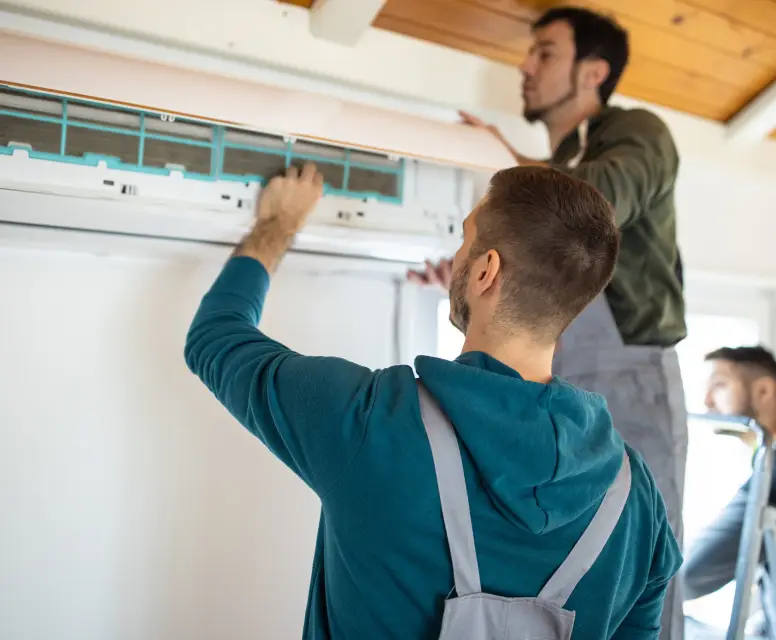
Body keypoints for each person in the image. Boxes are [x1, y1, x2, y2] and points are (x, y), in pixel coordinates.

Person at [185, 162, 681, 638]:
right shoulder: (636, 498)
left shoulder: (369, 418)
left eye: (464, 239)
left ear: (486, 270)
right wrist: (484, 301)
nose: (458, 254)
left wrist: (278, 223)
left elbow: (215, 338)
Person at [412, 8, 687, 638]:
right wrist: (471, 273)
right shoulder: (563, 157)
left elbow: (592, 210)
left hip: (630, 366)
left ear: (592, 72)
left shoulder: (637, 131)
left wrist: (517, 182)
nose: (525, 66)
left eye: (544, 53)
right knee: (565, 556)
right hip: (560, 370)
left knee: (644, 559)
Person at [683, 346, 776, 601]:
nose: (707, 401)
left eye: (719, 385)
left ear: (763, 391)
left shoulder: (772, 473)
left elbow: (690, 574)